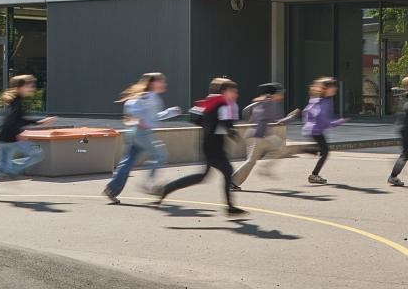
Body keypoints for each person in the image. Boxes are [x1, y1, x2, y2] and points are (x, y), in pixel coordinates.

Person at [155, 78, 245, 215]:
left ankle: (167, 188)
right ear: (225, 91)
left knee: (204, 176)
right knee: (226, 171)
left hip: (208, 143)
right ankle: (230, 207)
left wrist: (210, 126)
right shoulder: (223, 104)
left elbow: (194, 117)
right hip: (215, 146)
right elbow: (227, 124)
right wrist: (233, 133)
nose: (236, 94)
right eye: (233, 91)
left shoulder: (213, 103)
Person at [0, 74, 54, 200]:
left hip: (7, 138)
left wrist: (39, 122)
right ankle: (8, 169)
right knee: (37, 154)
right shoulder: (16, 100)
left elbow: (19, 119)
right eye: (30, 86)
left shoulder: (17, 99)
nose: (32, 89)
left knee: (4, 166)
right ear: (21, 87)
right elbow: (11, 120)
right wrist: (18, 132)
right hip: (9, 139)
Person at [104, 72, 179, 203]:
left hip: (135, 132)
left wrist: (170, 112)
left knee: (127, 162)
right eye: (160, 81)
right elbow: (131, 105)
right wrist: (138, 118)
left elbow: (154, 116)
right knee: (160, 156)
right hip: (142, 132)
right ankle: (148, 185)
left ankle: (112, 189)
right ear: (152, 83)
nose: (163, 84)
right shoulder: (147, 96)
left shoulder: (152, 97)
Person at [232, 82, 299, 187]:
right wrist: (291, 117)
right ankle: (233, 182)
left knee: (279, 147)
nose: (282, 95)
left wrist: (253, 120)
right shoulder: (269, 103)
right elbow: (277, 121)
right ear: (273, 94)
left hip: (257, 134)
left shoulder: (261, 101)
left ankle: (265, 167)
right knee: (251, 161)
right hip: (259, 135)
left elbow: (245, 110)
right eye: (280, 93)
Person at [302, 78, 344, 185]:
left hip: (313, 130)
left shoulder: (317, 99)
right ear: (326, 89)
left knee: (323, 151)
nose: (335, 88)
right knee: (325, 152)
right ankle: (314, 175)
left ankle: (309, 150)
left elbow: (306, 111)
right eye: (333, 87)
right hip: (316, 131)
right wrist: (337, 122)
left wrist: (308, 122)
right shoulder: (324, 102)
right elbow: (323, 119)